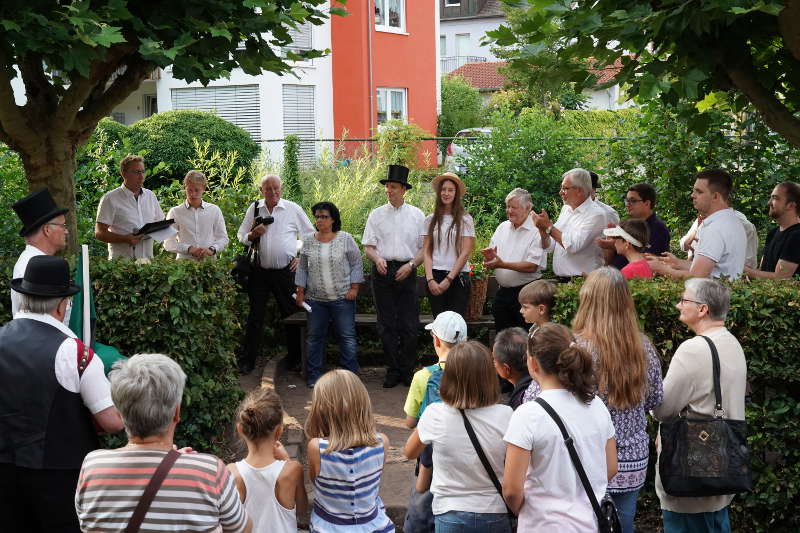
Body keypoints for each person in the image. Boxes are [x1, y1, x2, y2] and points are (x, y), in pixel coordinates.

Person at [0, 256, 123, 533]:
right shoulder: (76, 353)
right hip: (59, 480)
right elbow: (112, 422)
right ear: (61, 305)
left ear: (24, 298)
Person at [76, 353, 252, 533]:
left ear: (120, 413)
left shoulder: (92, 466)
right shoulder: (210, 471)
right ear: (176, 412)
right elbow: (243, 529)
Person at [571, 267, 663, 533]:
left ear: (587, 300)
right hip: (631, 459)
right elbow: (655, 398)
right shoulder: (643, 346)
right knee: (622, 524)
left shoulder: (577, 349)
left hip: (586, 456)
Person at [502, 323, 618, 532]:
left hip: (544, 524)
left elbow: (511, 490)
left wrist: (530, 510)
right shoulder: (596, 405)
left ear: (533, 363)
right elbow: (610, 467)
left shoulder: (528, 415)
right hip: (591, 523)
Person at [652, 278, 747, 533]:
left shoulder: (692, 350)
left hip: (689, 477)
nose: (677, 305)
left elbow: (663, 409)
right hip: (722, 469)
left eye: (684, 300)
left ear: (703, 309)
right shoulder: (732, 343)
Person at [404, 341, 513, 533]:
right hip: (495, 511)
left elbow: (410, 452)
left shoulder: (434, 413)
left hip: (450, 512)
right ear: (489, 377)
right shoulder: (506, 415)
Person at [237, 174, 314, 374]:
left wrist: (301, 258)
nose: (273, 192)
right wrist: (252, 235)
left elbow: (310, 236)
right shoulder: (254, 208)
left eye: (276, 188)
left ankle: (295, 359)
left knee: (291, 315)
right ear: (261, 190)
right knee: (255, 317)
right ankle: (248, 361)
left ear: (282, 188)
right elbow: (240, 235)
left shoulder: (292, 209)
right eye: (268, 188)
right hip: (259, 272)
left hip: (285, 272)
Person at [304, 369, 395, 532]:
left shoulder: (317, 448)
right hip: (376, 527)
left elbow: (316, 481)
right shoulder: (382, 442)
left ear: (321, 409)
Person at [402, 311, 467, 533]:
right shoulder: (475, 373)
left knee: (423, 503)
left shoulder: (423, 376)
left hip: (430, 454)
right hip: (466, 453)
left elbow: (411, 422)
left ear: (436, 341)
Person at [363, 164, 426, 388]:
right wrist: (378, 259)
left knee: (409, 324)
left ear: (404, 189)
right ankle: (392, 369)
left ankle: (408, 369)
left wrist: (410, 265)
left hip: (407, 270)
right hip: (382, 271)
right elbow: (368, 247)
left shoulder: (417, 215)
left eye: (393, 187)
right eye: (387, 187)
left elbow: (424, 249)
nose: (389, 191)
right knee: (386, 324)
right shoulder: (376, 214)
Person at [295, 201, 364, 387]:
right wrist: (300, 291)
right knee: (314, 338)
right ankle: (314, 377)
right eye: (317, 216)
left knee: (347, 337)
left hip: (343, 298)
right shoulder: (308, 240)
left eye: (324, 216)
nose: (320, 220)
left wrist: (354, 289)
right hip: (316, 301)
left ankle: (350, 379)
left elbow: (357, 263)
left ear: (333, 219)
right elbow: (302, 269)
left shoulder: (345, 238)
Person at [228, 387, 307, 533]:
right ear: (279, 431)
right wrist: (286, 460)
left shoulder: (231, 472)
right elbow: (302, 511)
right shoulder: (292, 470)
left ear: (240, 429)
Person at [649, 169, 746, 280]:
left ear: (715, 197)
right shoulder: (731, 220)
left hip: (709, 296)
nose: (692, 195)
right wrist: (676, 263)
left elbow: (697, 276)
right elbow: (710, 269)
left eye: (699, 192)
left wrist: (663, 269)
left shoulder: (715, 228)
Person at [484, 188, 547, 332]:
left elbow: (532, 266)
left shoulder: (537, 230)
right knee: (503, 340)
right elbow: (492, 256)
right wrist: (489, 261)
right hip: (502, 294)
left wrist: (502, 264)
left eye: (514, 207)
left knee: (527, 340)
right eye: (508, 206)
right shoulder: (502, 227)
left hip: (528, 295)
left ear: (528, 208)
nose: (509, 211)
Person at [533, 168, 606, 281]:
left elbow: (573, 246)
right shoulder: (566, 209)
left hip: (584, 281)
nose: (560, 192)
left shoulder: (596, 214)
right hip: (562, 280)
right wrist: (543, 231)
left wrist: (548, 227)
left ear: (580, 191)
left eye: (565, 188)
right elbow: (550, 246)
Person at [423, 172, 476, 317]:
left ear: (456, 193)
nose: (446, 193)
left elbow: (465, 253)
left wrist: (449, 279)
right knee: (439, 326)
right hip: (435, 277)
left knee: (455, 326)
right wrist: (430, 279)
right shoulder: (429, 220)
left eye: (450, 190)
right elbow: (426, 251)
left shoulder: (466, 220)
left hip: (457, 279)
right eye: (443, 189)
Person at [10, 188, 69, 315]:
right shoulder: (31, 266)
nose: (66, 231)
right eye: (62, 226)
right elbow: (36, 325)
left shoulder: (36, 262)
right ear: (47, 230)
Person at [95, 154, 165, 260]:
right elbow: (99, 233)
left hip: (148, 263)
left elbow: (160, 223)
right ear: (124, 174)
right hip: (121, 265)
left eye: (142, 172)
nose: (141, 176)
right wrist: (125, 239)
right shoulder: (110, 198)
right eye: (136, 172)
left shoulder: (150, 196)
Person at [601, 183, 670, 269]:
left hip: (635, 280)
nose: (627, 204)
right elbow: (608, 261)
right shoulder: (626, 225)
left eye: (633, 201)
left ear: (647, 203)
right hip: (615, 276)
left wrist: (617, 246)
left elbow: (654, 263)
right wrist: (609, 246)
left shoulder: (659, 229)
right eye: (627, 200)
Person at [164, 170, 229, 260]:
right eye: (189, 190)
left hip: (209, 264)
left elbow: (223, 238)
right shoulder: (175, 212)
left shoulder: (214, 210)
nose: (192, 194)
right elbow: (168, 243)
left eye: (196, 190)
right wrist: (189, 249)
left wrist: (212, 250)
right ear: (185, 187)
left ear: (204, 188)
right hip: (183, 266)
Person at [745, 181, 800, 279]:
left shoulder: (797, 236)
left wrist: (743, 269)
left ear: (790, 205)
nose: (769, 202)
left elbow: (780, 279)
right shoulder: (773, 233)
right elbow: (762, 271)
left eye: (775, 198)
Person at [492, 327, 532, 409]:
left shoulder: (519, 402)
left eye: (494, 360)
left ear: (506, 369)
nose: (493, 364)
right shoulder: (539, 384)